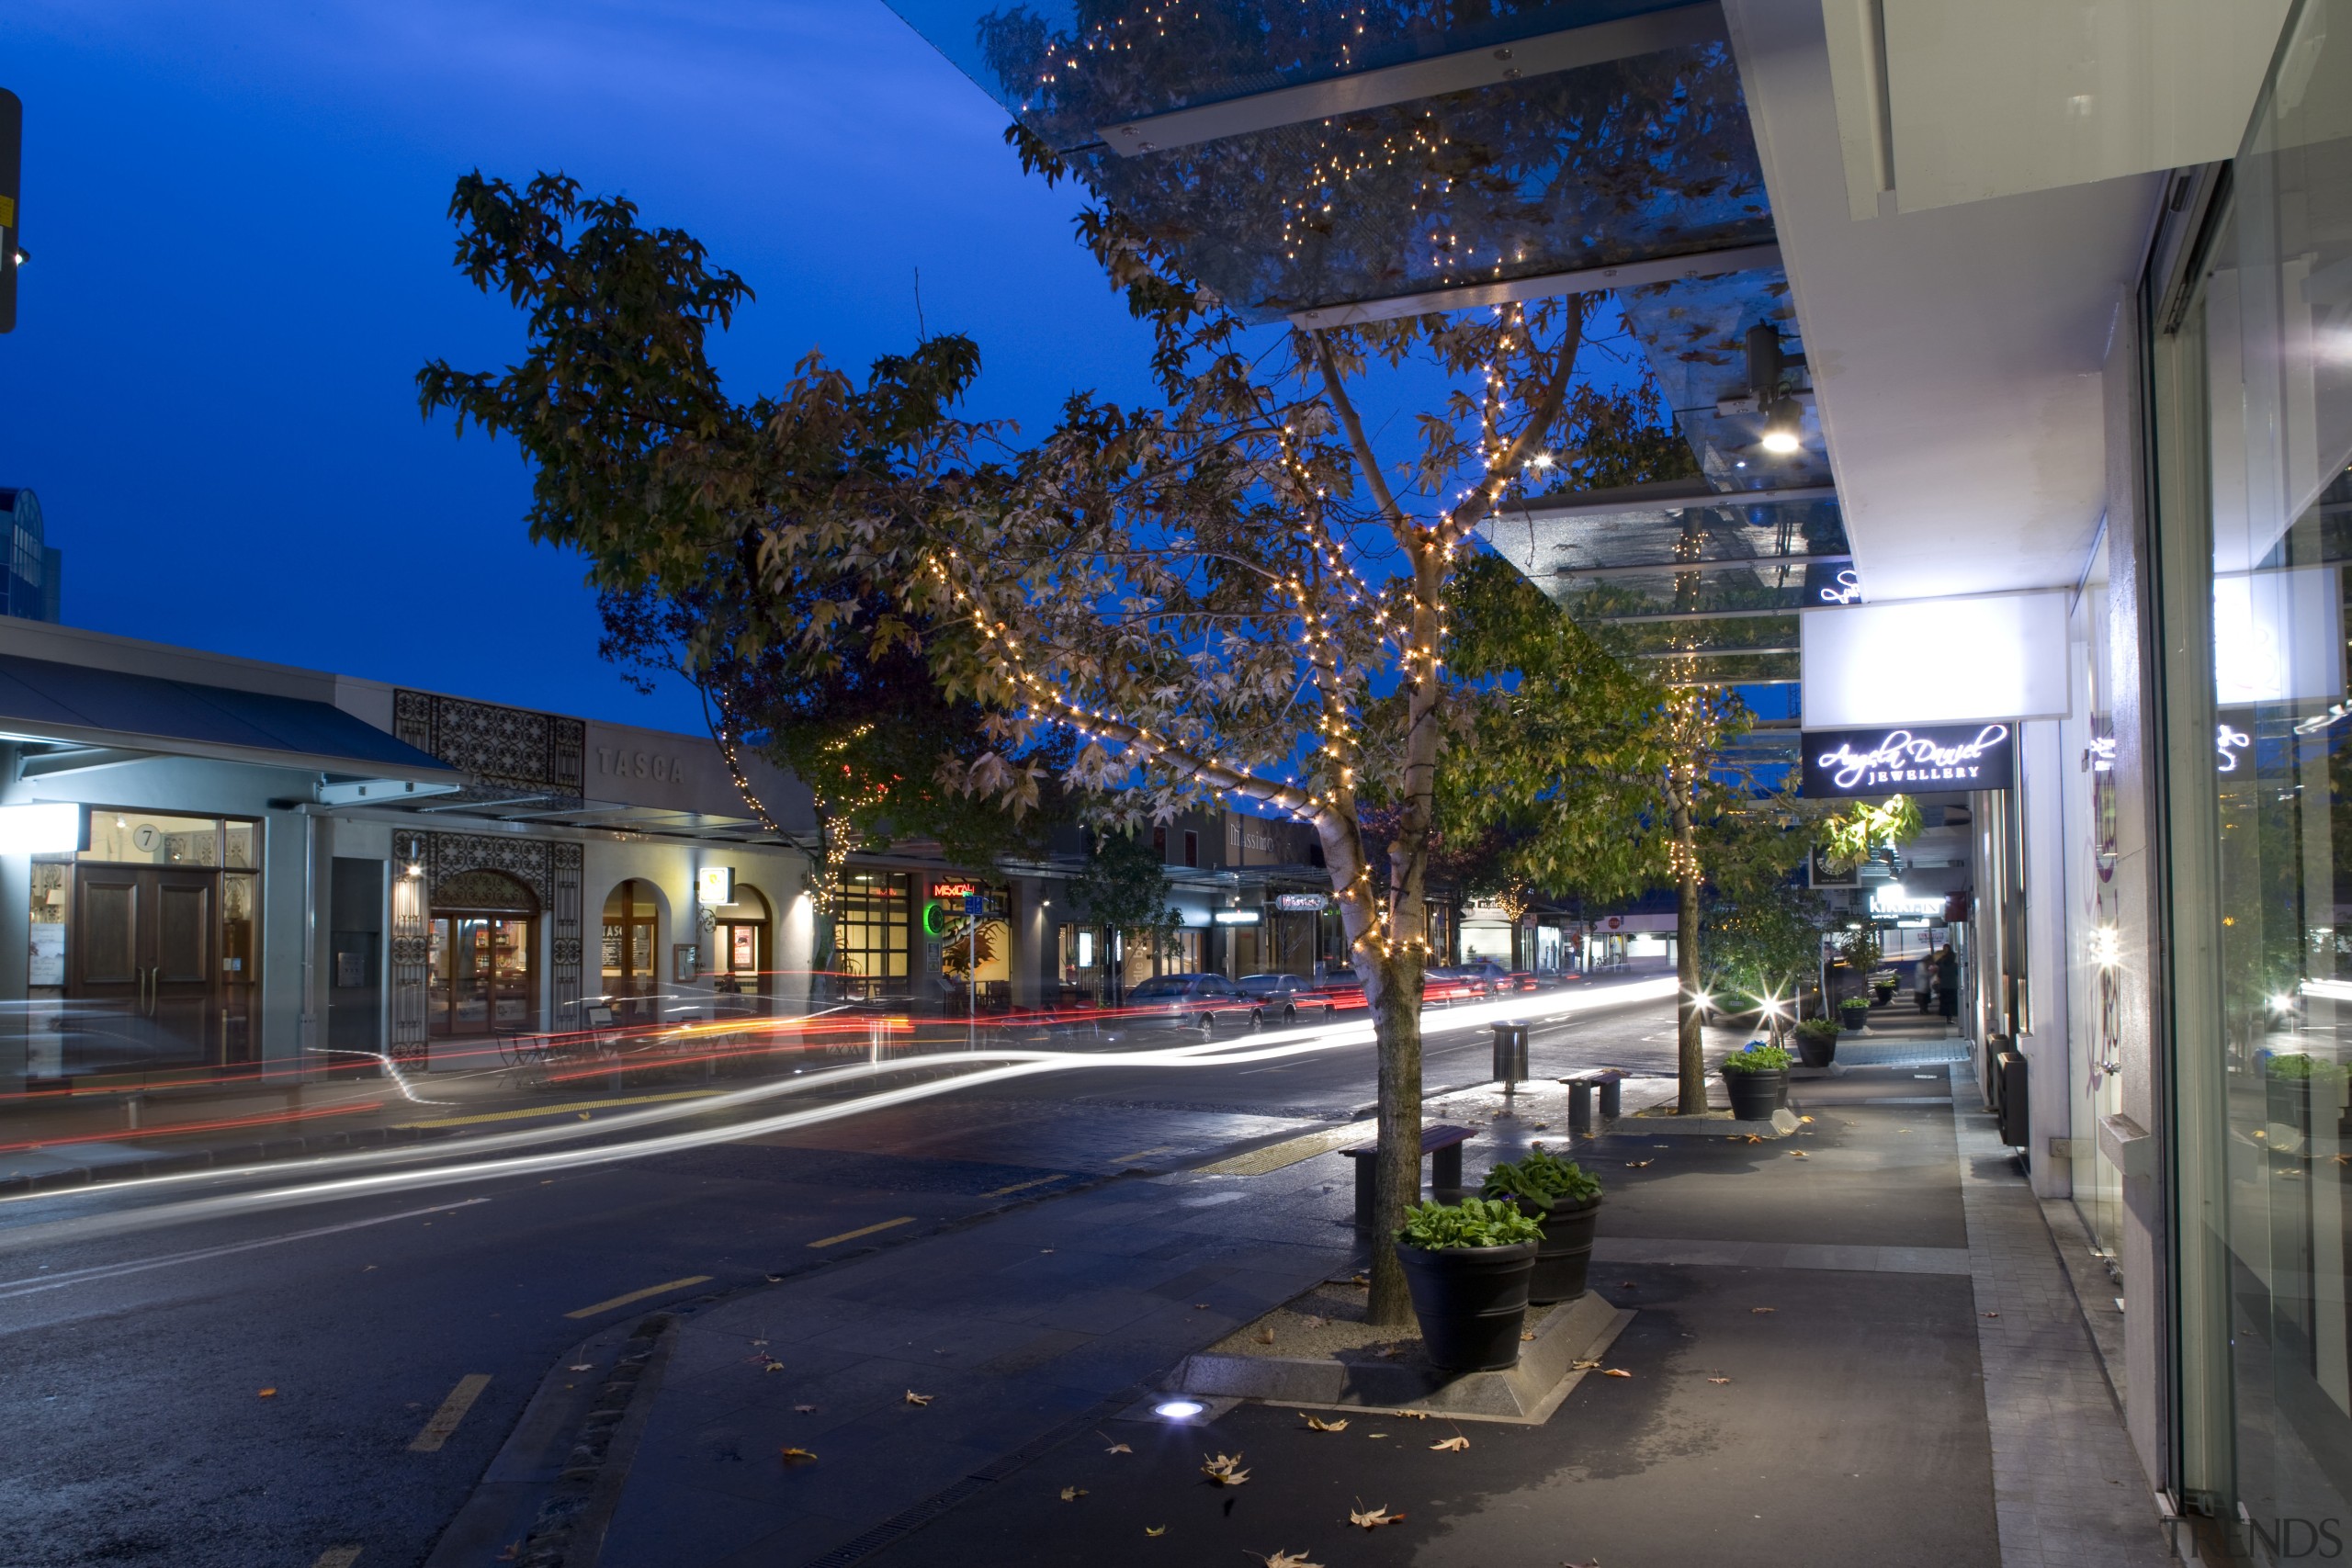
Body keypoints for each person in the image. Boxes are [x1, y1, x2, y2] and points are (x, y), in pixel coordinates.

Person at [1935, 945, 1961, 1022]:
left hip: (1944, 986)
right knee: (1952, 1003)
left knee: (1945, 1002)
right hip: (1953, 986)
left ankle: (1947, 1017)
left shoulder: (1942, 965)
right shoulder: (1955, 966)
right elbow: (1958, 974)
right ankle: (1950, 1017)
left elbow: (1939, 975)